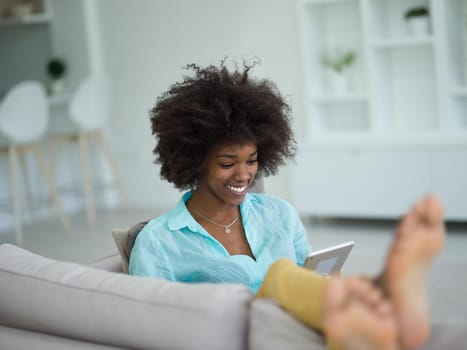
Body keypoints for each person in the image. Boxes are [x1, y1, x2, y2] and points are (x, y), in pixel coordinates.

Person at [128, 60, 446, 350]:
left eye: (252, 160)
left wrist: (328, 281)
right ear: (195, 162)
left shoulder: (279, 214)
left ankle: (375, 304)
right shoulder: (159, 241)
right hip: (237, 338)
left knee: (314, 292)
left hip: (302, 330)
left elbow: (315, 277)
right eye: (227, 163)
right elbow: (149, 325)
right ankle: (378, 298)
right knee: (280, 277)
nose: (244, 174)